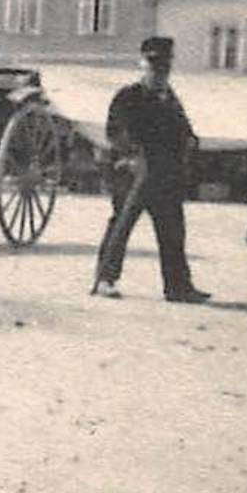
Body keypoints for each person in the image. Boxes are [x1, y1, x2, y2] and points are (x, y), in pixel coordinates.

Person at [92, 37, 211, 303]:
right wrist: (132, 155)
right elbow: (116, 132)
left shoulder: (170, 99)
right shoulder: (128, 96)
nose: (159, 73)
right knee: (120, 226)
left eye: (164, 68)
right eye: (153, 66)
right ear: (142, 64)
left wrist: (191, 142)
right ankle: (105, 279)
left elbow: (184, 131)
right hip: (132, 174)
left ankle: (178, 287)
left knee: (173, 231)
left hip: (165, 175)